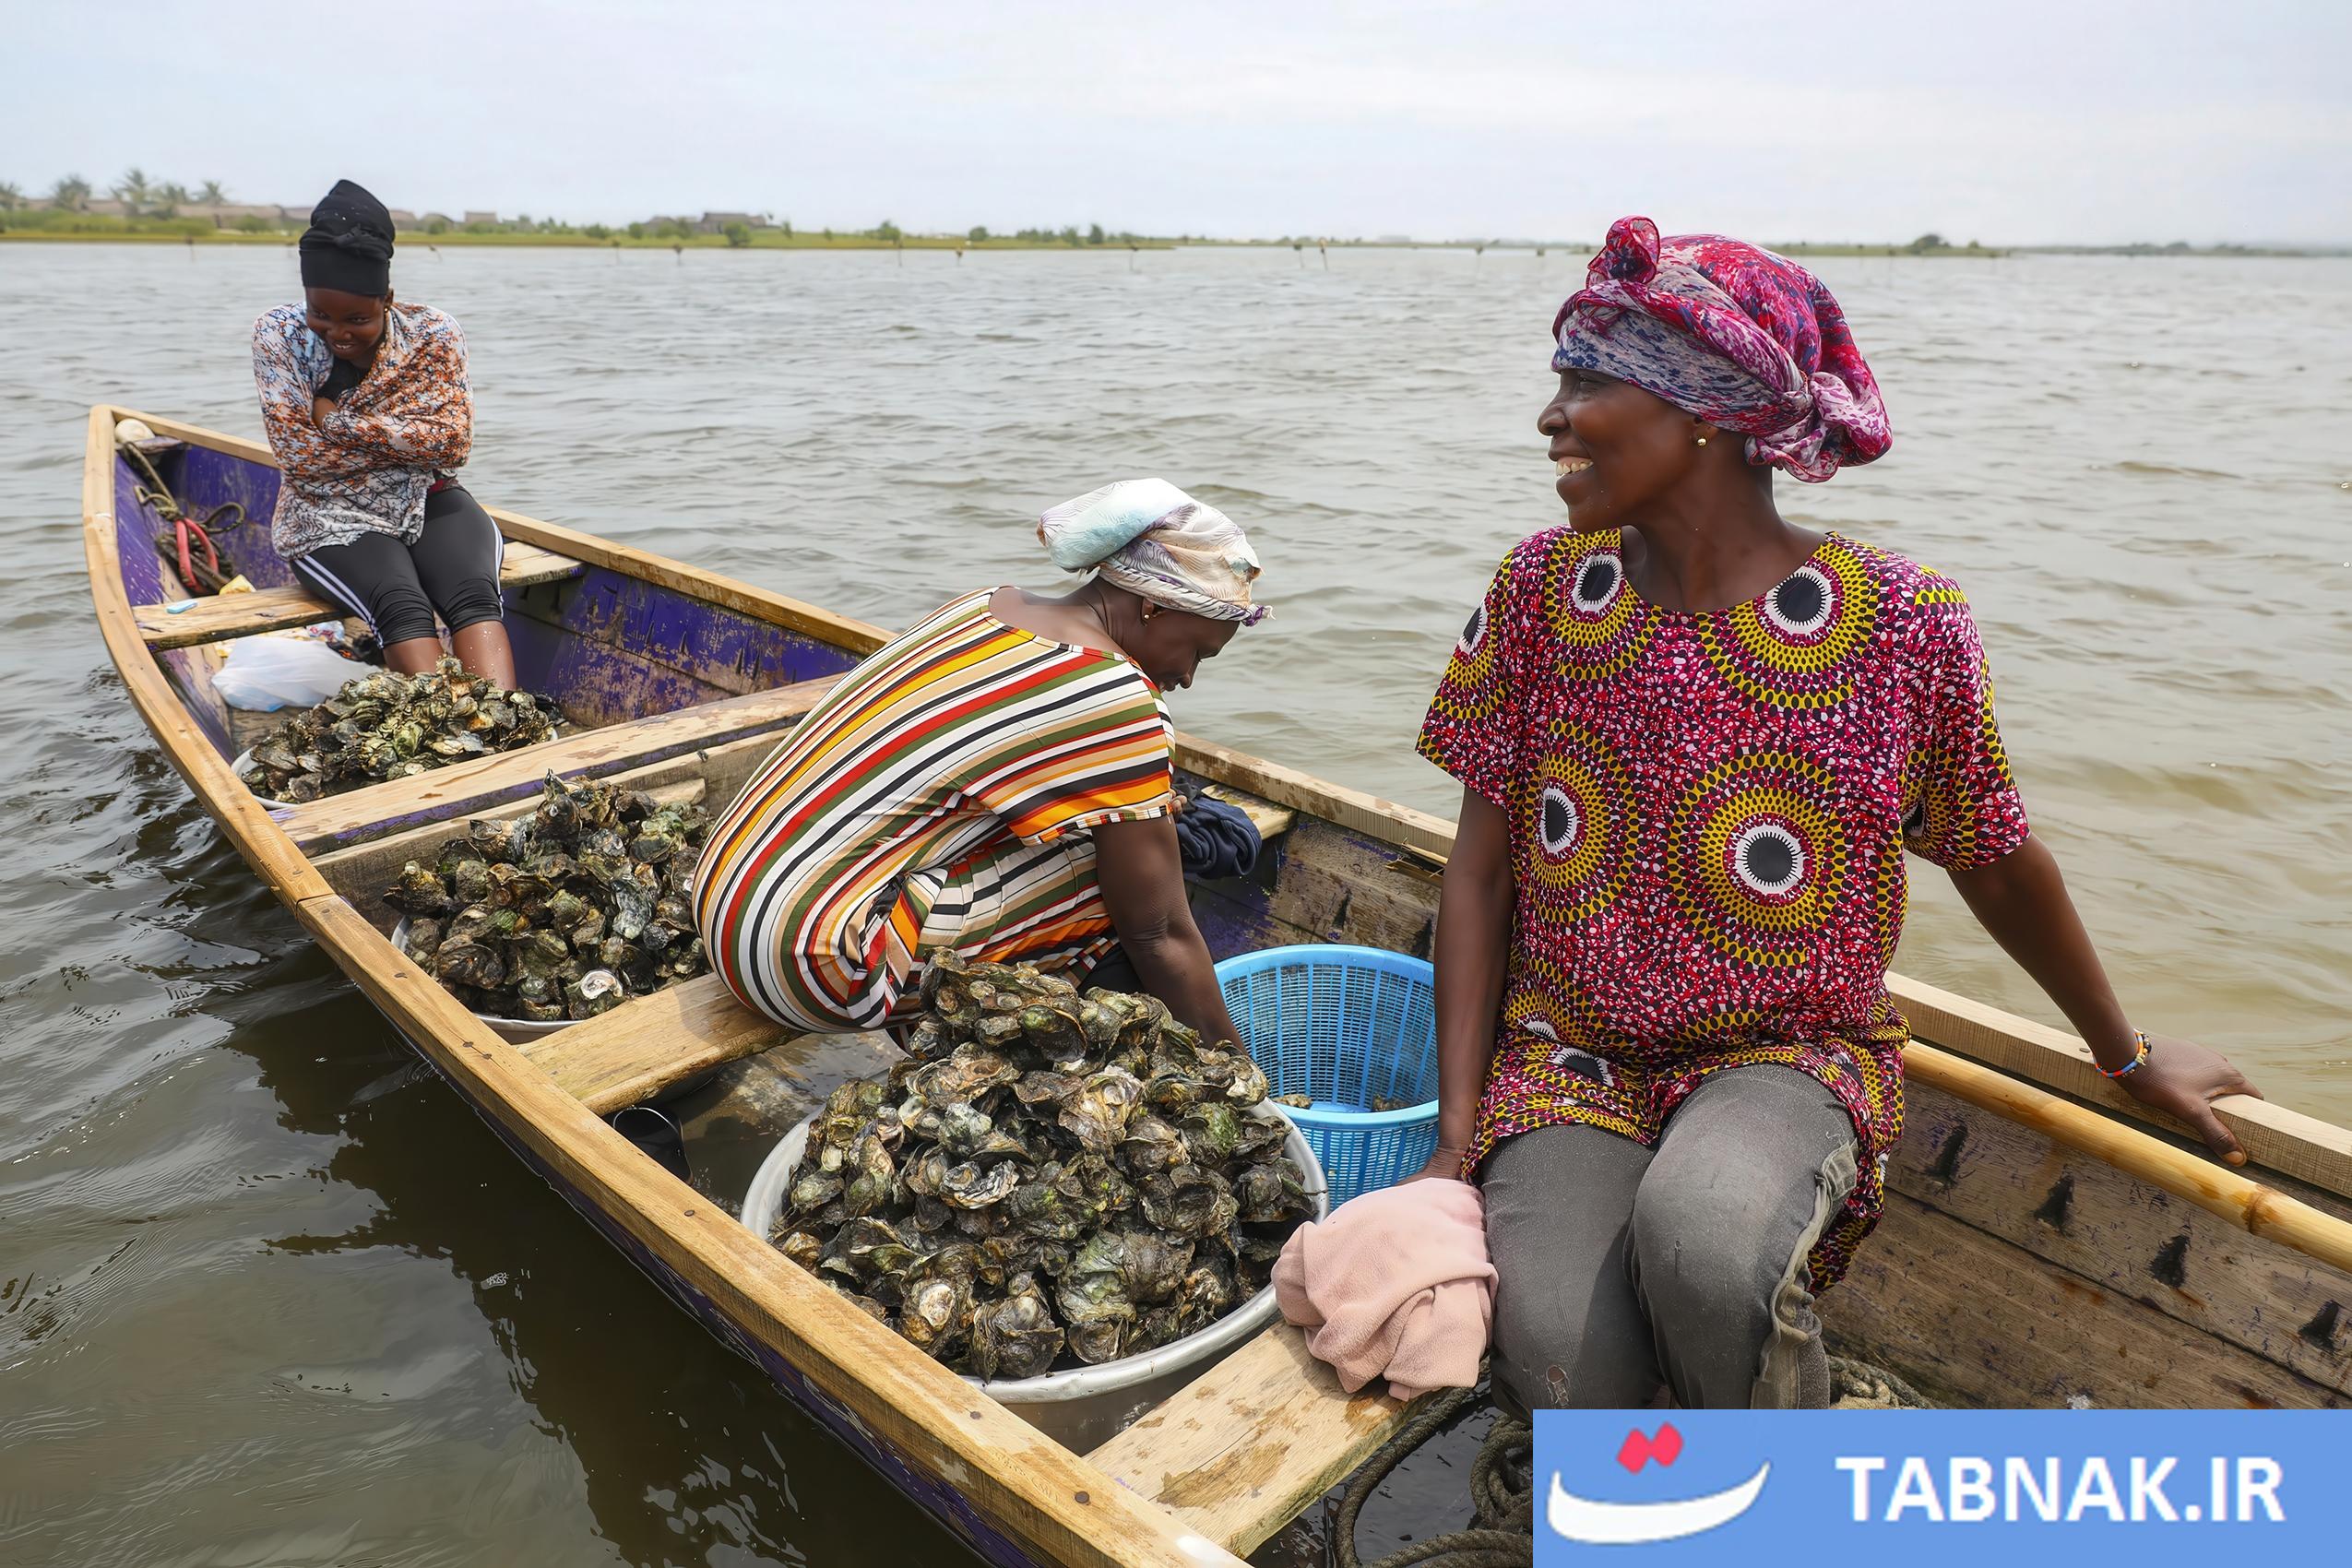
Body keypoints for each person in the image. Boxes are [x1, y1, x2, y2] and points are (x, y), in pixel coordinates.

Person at [1410, 216, 2260, 1413]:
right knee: (1555, 1353)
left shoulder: (1894, 624)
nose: (1549, 416)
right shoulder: (1540, 592)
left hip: (1781, 1054)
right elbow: (1478, 873)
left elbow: (1996, 858)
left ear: (1702, 409)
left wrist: (2121, 1057)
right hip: (1567, 1061)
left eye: (1586, 378)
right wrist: (1456, 1133)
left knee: (1703, 1242)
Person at [693, 479, 1266, 1046]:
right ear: (1150, 607)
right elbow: (1159, 932)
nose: (1187, 678)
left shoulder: (987, 606)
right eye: (1196, 652)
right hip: (805, 968)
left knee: (1126, 846)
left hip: (724, 900)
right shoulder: (1117, 695)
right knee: (1128, 890)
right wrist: (1247, 1092)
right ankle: (1022, 1047)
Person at [251, 179, 517, 687]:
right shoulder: (279, 334)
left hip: (429, 494)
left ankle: (506, 735)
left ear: (388, 299)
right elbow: (301, 458)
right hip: (327, 512)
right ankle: (445, 736)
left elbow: (453, 445)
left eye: (357, 318)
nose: (337, 332)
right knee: (401, 605)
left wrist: (333, 422)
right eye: (321, 315)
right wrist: (408, 441)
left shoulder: (433, 333)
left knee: (475, 597)